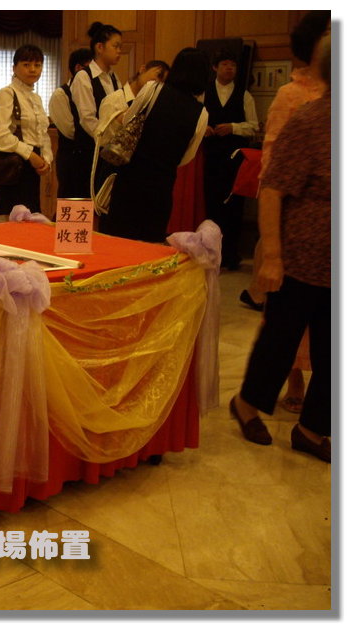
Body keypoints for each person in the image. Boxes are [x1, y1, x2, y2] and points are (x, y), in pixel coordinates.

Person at [229, 33, 331, 462]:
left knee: (336, 351)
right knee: (281, 340)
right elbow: (271, 189)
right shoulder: (311, 121)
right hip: (301, 257)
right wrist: (271, 255)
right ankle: (246, 404)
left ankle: (312, 428)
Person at [99, 48, 210, 243]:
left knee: (118, 241)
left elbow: (129, 121)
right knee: (149, 247)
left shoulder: (153, 89)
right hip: (161, 188)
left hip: (130, 179)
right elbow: (187, 157)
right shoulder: (201, 114)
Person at [201, 49, 259, 270]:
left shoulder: (244, 95)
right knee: (211, 203)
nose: (229, 68)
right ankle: (210, 253)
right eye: (225, 64)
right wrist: (204, 128)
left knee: (234, 205)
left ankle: (231, 254)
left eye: (233, 65)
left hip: (235, 158)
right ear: (215, 67)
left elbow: (253, 126)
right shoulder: (204, 92)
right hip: (210, 156)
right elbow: (194, 119)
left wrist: (233, 127)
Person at [0, 44, 53, 215]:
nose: (33, 69)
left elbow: (43, 134)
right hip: (15, 163)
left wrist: (46, 160)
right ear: (14, 68)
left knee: (32, 216)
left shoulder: (36, 98)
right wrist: (31, 155)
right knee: (16, 218)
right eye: (26, 64)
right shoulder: (7, 93)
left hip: (33, 165)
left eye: (37, 65)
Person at [71, 22, 124, 198]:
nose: (119, 51)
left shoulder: (114, 77)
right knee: (85, 203)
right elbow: (87, 119)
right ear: (100, 47)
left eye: (120, 47)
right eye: (115, 46)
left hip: (108, 153)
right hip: (88, 154)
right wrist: (107, 141)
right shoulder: (83, 77)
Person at [48, 48, 93, 198]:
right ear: (78, 68)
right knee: (72, 202)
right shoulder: (61, 95)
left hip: (91, 159)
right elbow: (70, 131)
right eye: (90, 69)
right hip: (72, 159)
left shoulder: (93, 93)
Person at [97, 59, 170, 140]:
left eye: (162, 82)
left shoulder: (152, 105)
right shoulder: (113, 100)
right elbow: (100, 140)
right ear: (143, 69)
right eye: (159, 75)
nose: (157, 82)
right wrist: (118, 122)